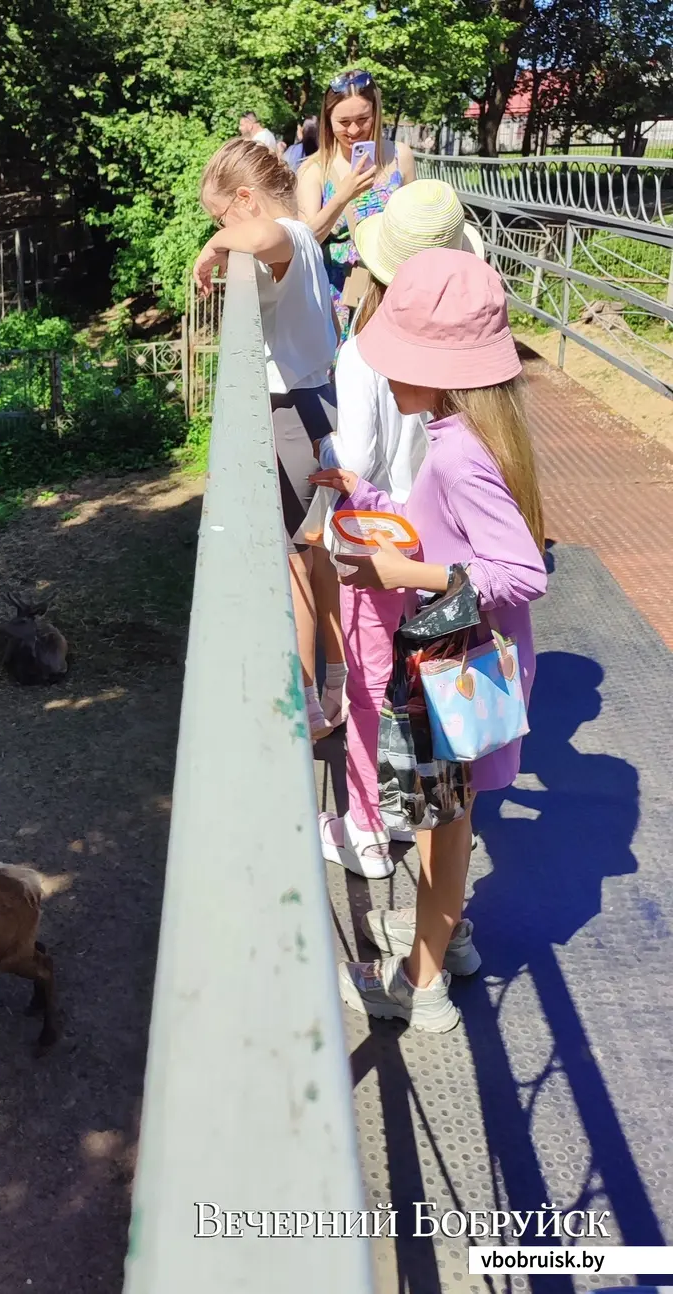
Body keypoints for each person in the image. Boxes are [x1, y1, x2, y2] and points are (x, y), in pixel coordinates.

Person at [313, 248, 547, 1032]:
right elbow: (449, 536)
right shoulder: (472, 435)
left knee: (442, 831)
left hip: (453, 677)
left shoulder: (456, 453)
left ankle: (420, 985)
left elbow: (519, 572)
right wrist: (367, 494)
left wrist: (396, 572)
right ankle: (453, 937)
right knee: (452, 821)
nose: (384, 372)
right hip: (475, 670)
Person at [309, 180, 486, 879]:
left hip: (385, 539)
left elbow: (353, 460)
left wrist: (323, 456)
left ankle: (368, 828)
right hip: (444, 540)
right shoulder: (463, 352)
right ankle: (426, 817)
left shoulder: (363, 355)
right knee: (428, 680)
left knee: (370, 681)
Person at [194, 137, 341, 740]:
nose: (219, 228)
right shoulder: (306, 236)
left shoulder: (283, 235)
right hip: (318, 407)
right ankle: (333, 686)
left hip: (291, 417)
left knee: (297, 566)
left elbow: (257, 238)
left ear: (247, 199)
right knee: (321, 560)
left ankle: (307, 697)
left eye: (220, 214)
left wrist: (213, 247)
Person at [297, 69, 415, 343]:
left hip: (392, 293)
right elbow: (305, 240)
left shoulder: (400, 157)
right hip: (338, 302)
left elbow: (414, 224)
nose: (353, 130)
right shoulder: (314, 170)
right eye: (343, 121)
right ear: (328, 120)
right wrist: (342, 196)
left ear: (376, 112)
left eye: (363, 119)